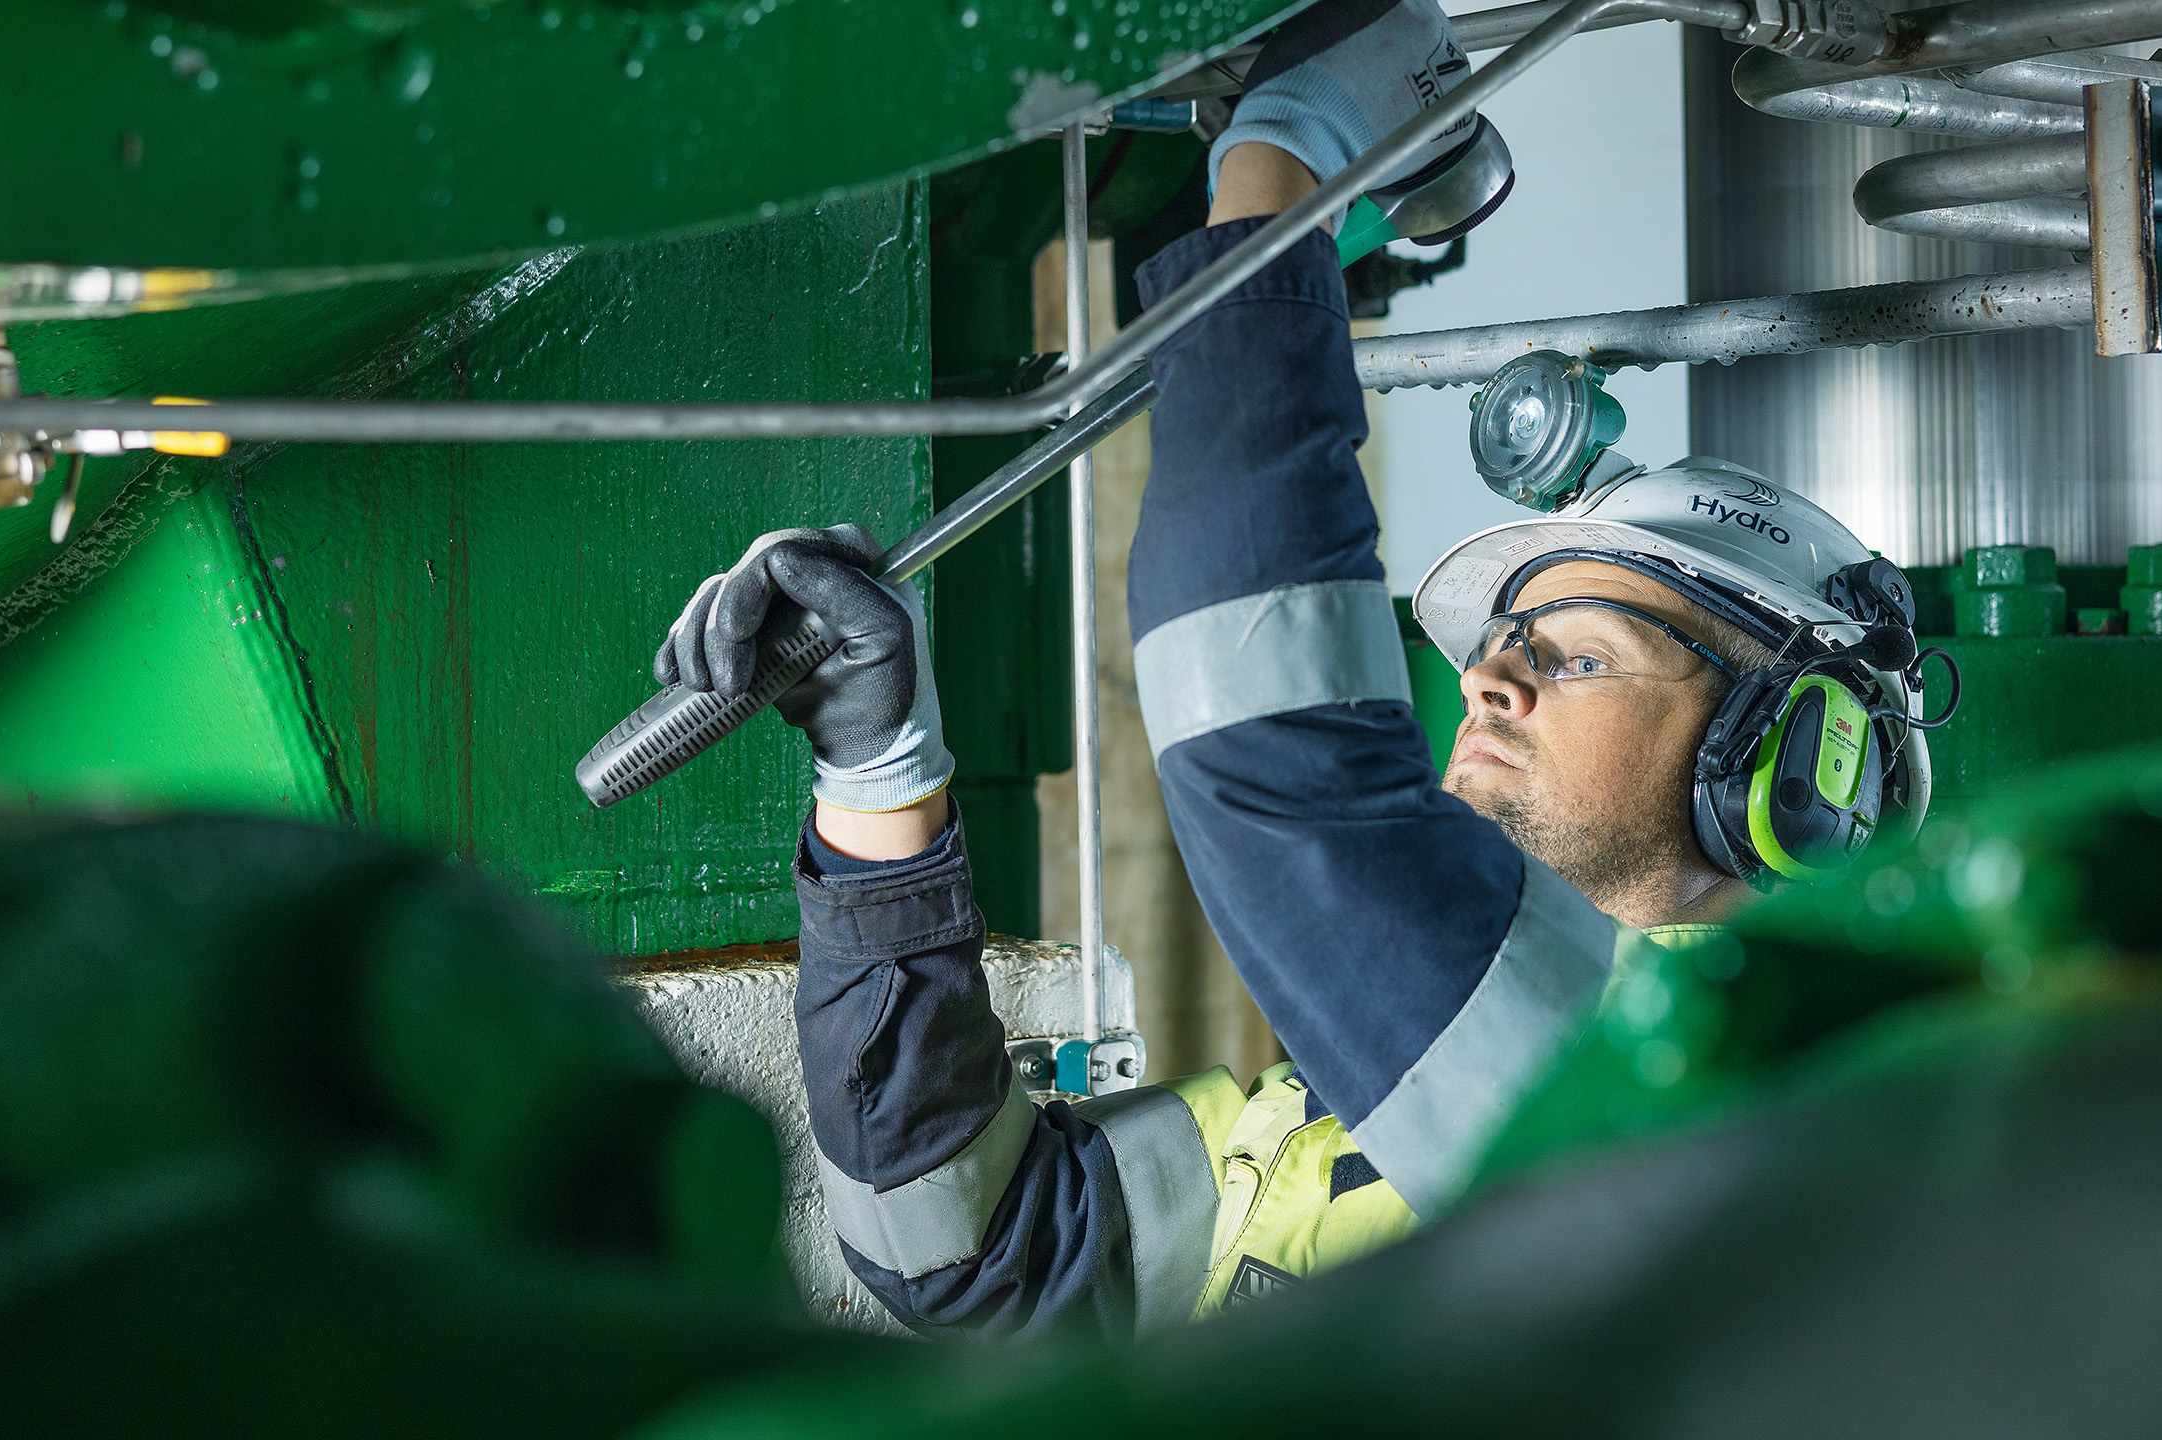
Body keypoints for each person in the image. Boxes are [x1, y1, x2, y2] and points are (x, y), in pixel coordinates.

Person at [652, 0, 1934, 1340]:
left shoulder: (1723, 1104)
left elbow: (1282, 766)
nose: (1492, 682)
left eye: (1583, 654)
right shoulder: (1326, 1136)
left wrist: (1287, 152)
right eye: (1502, 641)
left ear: (1792, 780)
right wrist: (879, 779)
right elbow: (967, 1257)